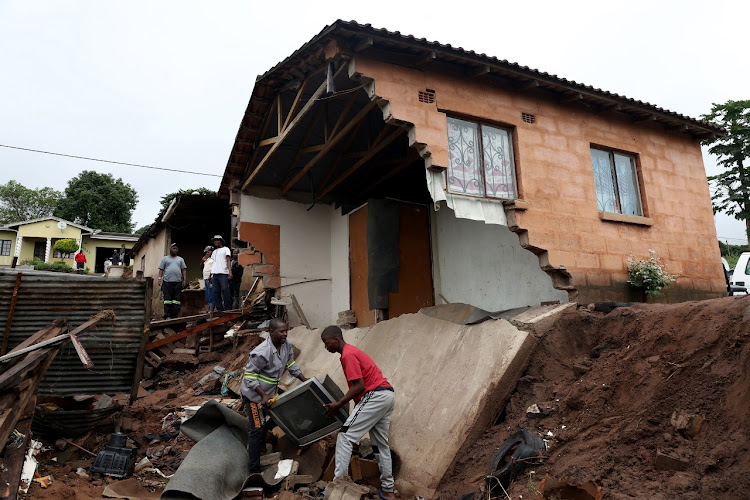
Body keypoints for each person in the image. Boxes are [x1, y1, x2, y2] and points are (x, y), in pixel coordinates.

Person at [321, 326, 395, 499]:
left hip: (375, 395)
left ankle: (338, 483)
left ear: (336, 339)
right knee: (380, 445)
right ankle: (388, 490)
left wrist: (339, 404)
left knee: (345, 436)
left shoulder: (348, 354)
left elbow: (359, 386)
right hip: (387, 395)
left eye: (326, 343)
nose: (325, 347)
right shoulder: (350, 352)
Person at [241, 318, 307, 473]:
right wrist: (262, 396)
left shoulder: (287, 345)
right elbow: (249, 376)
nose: (285, 334)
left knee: (289, 410)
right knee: (257, 429)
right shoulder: (261, 352)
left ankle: (265, 433)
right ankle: (254, 471)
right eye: (281, 331)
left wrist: (305, 380)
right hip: (254, 396)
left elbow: (290, 363)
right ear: (271, 332)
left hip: (271, 391)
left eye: (286, 330)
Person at [157, 243, 187, 319]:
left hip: (177, 282)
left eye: (176, 249)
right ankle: (167, 315)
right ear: (170, 249)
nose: (175, 250)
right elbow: (161, 269)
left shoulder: (180, 259)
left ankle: (174, 316)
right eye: (173, 248)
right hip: (167, 282)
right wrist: (159, 279)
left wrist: (184, 280)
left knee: (176, 300)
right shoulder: (165, 259)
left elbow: (183, 270)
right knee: (167, 299)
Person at [210, 235, 232, 311]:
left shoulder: (226, 249)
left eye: (217, 240)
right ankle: (220, 310)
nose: (216, 242)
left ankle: (228, 309)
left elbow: (228, 260)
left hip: (223, 273)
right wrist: (210, 274)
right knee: (215, 292)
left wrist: (230, 272)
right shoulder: (214, 252)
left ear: (221, 241)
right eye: (214, 240)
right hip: (215, 274)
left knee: (225, 290)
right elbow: (213, 263)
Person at [201, 246, 214, 312]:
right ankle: (209, 309)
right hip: (206, 278)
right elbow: (201, 267)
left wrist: (209, 276)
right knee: (208, 295)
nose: (207, 253)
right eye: (206, 252)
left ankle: (211, 310)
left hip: (211, 278)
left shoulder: (214, 259)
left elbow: (213, 269)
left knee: (211, 294)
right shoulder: (207, 259)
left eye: (208, 251)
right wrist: (202, 260)